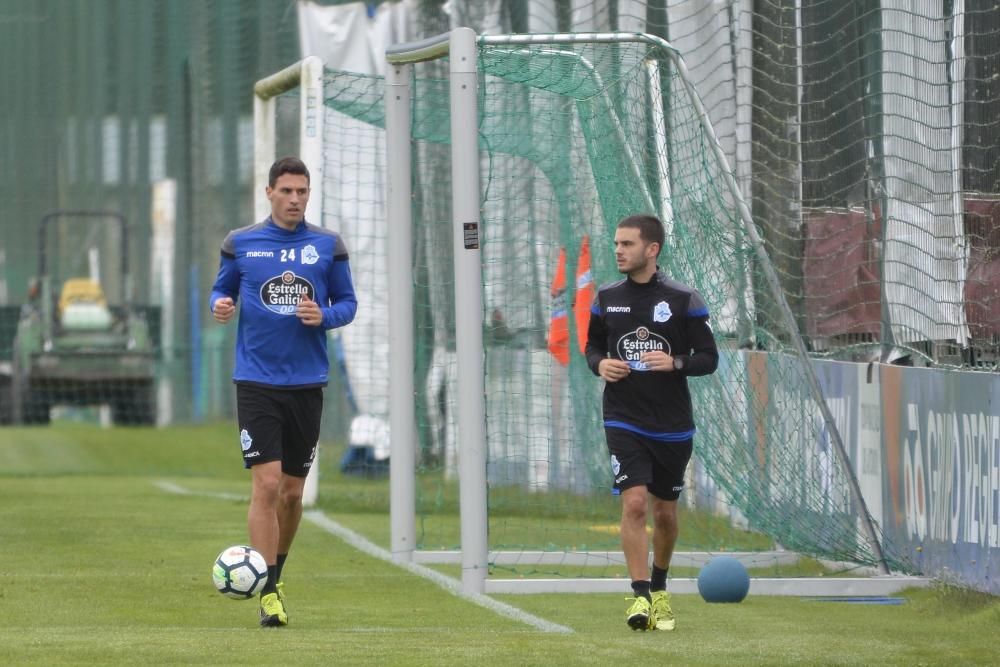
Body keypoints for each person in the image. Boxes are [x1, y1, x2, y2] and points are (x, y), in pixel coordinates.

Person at [209, 156, 357, 627]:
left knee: (293, 494)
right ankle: (267, 591)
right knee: (267, 484)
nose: (295, 199)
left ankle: (277, 573)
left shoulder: (327, 246)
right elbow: (219, 289)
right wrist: (222, 304)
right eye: (287, 191)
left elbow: (348, 303)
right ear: (269, 191)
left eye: (303, 191)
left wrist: (325, 316)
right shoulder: (241, 243)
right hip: (255, 381)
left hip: (307, 383)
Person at [585, 213, 719, 632]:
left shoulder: (684, 299)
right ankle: (639, 597)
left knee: (664, 514)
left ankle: (660, 588)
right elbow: (592, 346)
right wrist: (601, 364)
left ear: (652, 249)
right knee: (635, 503)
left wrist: (675, 361)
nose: (619, 251)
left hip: (673, 425)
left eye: (627, 244)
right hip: (624, 419)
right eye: (617, 244)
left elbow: (709, 358)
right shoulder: (606, 297)